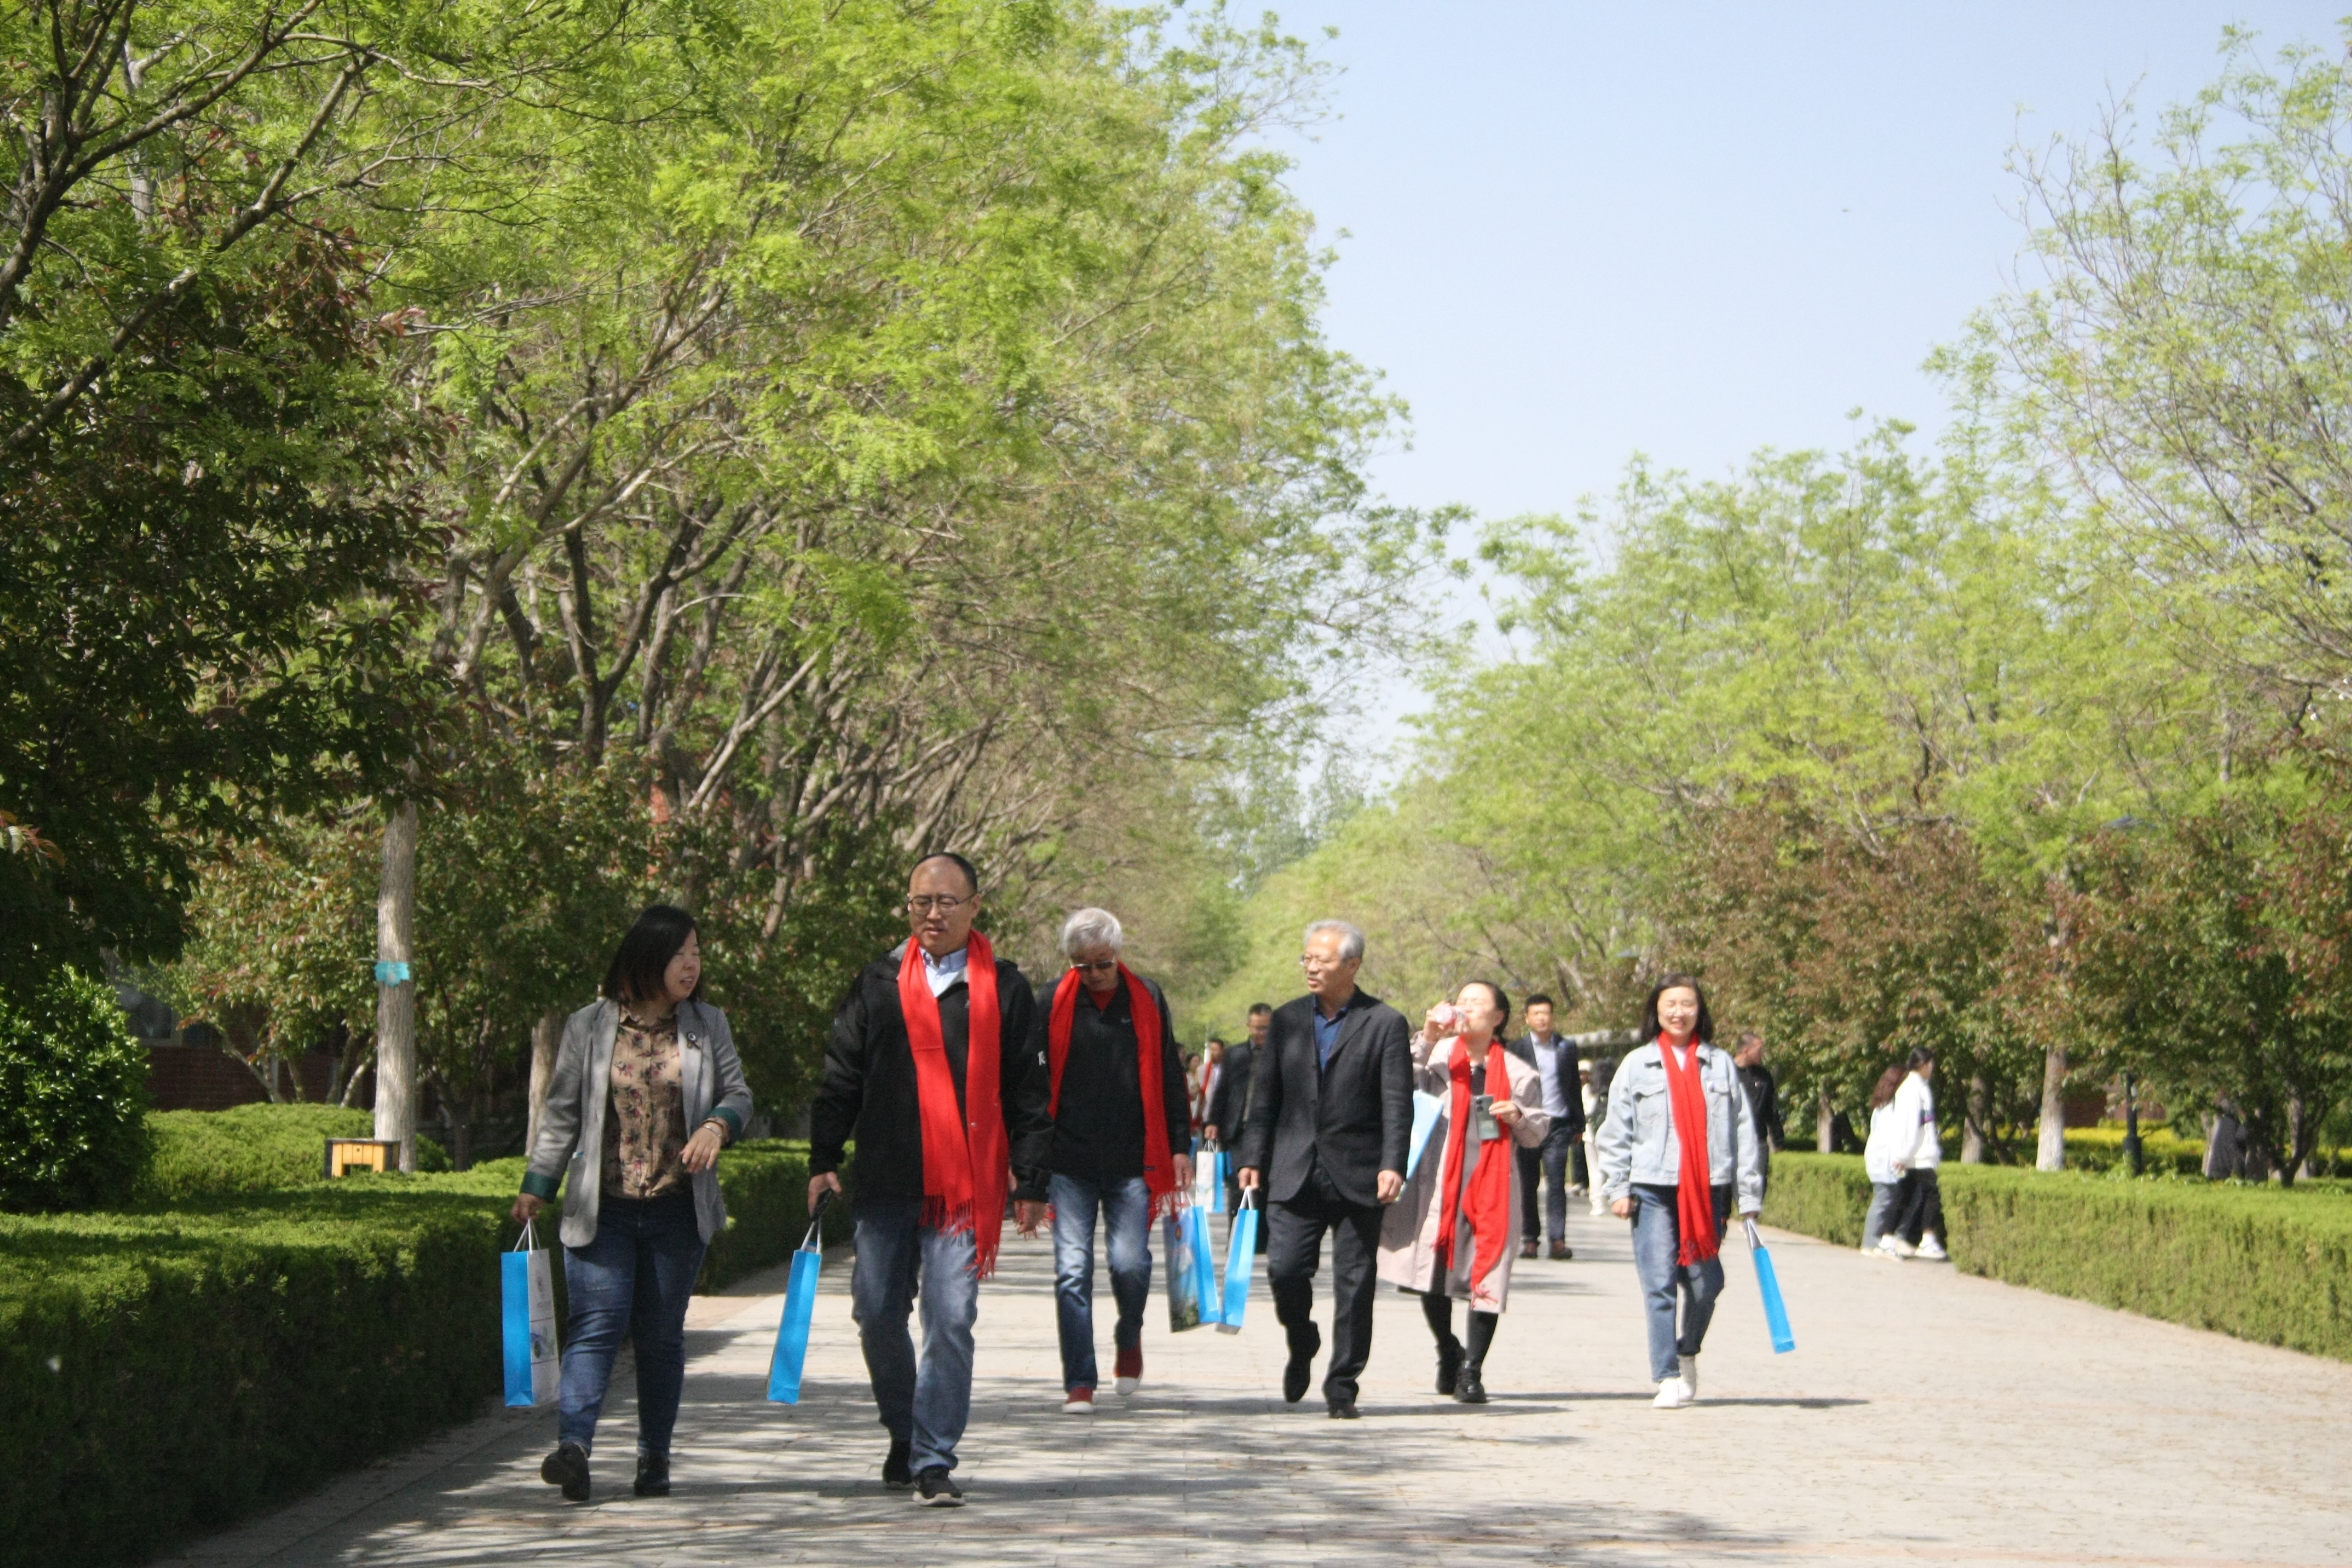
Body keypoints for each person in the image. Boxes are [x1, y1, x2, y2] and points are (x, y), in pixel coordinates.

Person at [807, 853, 1053, 1507]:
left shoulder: (1004, 987)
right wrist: (822, 1157)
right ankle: (905, 1430)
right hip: (887, 1178)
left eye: (947, 902)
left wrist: (1032, 1181)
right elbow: (841, 1076)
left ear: (976, 906)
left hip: (964, 1189)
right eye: (921, 902)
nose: (933, 914)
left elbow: (1029, 1092)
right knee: (876, 1312)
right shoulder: (878, 982)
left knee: (950, 1319)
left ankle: (934, 1457)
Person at [512, 905, 754, 1504]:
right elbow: (562, 1113)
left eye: (697, 953)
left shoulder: (707, 1025)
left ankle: (654, 1456)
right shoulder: (589, 1025)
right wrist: (539, 1183)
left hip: (677, 1208)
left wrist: (718, 1125)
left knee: (661, 1336)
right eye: (680, 954)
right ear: (647, 958)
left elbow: (739, 1092)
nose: (692, 965)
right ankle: (575, 1450)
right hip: (605, 1208)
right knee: (596, 1326)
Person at [1234, 921, 1411, 1419]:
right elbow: (1264, 1098)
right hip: (1293, 1168)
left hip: (1359, 1170)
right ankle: (1302, 1337)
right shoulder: (1288, 1020)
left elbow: (1397, 1102)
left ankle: (1342, 1386)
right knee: (1285, 1270)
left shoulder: (1385, 1022)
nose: (1311, 967)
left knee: (1355, 1284)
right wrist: (1252, 1158)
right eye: (1306, 959)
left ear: (1352, 965)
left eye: (1322, 960)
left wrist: (1393, 1164)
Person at [1036, 907, 1193, 1414]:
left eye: (1103, 963)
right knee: (1072, 1270)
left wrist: (1179, 1145)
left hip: (1133, 1160)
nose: (1094, 974)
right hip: (1069, 1160)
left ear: (1118, 955)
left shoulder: (1146, 996)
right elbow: (1032, 1083)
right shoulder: (1050, 1001)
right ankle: (1080, 1380)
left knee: (1130, 1264)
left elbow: (1169, 1073)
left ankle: (1130, 1334)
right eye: (1082, 966)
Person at [1594, 974, 1763, 1410]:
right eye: (1670, 1004)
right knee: (1660, 1285)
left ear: (1699, 1010)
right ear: (1657, 1010)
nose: (1679, 1012)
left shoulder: (1720, 1064)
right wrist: (1617, 1187)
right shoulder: (1637, 1064)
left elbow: (1743, 1131)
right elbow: (1615, 1130)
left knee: (1707, 1285)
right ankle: (1666, 1375)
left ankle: (1688, 1350)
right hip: (1651, 1188)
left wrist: (1749, 1196)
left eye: (1687, 1003)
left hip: (1708, 1189)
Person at [1381, 981, 1550, 1403]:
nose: (1467, 1008)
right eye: (1463, 1001)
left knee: (1488, 1274)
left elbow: (1537, 1134)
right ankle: (1448, 1350)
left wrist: (1519, 1116)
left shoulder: (1519, 1073)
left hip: (1492, 1189)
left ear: (1498, 1018)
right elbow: (1396, 1083)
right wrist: (1427, 1037)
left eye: (1478, 1003)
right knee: (1432, 1277)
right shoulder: (1435, 1058)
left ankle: (1472, 1370)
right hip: (1438, 1184)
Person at [1506, 993, 1584, 1260]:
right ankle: (1530, 1239)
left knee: (1556, 1184)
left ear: (1552, 1016)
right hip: (1528, 1124)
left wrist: (1579, 1124)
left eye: (1546, 1013)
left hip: (1558, 1124)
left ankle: (1558, 1240)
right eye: (1536, 1014)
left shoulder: (1566, 1047)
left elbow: (1574, 1086)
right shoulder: (1517, 1049)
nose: (1542, 1018)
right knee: (1528, 1184)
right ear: (1527, 1018)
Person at [1206, 1002, 1272, 1221]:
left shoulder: (1281, 1053)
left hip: (1271, 1131)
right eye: (1258, 1028)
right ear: (1249, 1026)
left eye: (1267, 1028)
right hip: (1239, 1129)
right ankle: (1238, 1232)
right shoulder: (1235, 1054)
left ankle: (1263, 1234)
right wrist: (1213, 1121)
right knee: (1239, 1184)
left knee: (1266, 1184)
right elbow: (1221, 1090)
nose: (1262, 1033)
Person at [1886, 1048, 1945, 1260]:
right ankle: (1925, 1239)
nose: (1933, 1068)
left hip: (1920, 1153)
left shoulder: (1920, 1087)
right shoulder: (1911, 1089)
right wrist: (1902, 1156)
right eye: (1931, 1064)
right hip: (1918, 1154)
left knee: (1905, 1195)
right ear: (1923, 1064)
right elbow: (1910, 1125)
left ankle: (1888, 1239)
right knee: (1931, 1194)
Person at [1859, 1064, 1910, 1255]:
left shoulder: (1882, 1106)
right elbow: (1893, 1138)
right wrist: (1899, 1159)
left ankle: (1880, 1240)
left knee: (1887, 1200)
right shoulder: (1891, 1108)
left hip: (1879, 1159)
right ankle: (1870, 1243)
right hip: (1883, 1161)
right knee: (1882, 1200)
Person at [1733, 1031, 1787, 1203]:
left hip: (1757, 1141)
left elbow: (1772, 1110)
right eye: (1759, 1050)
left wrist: (1778, 1139)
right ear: (1746, 1050)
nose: (1762, 1054)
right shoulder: (1727, 1073)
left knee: (1757, 1190)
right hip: (1731, 1141)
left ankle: (1751, 1218)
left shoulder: (1764, 1076)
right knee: (1726, 1191)